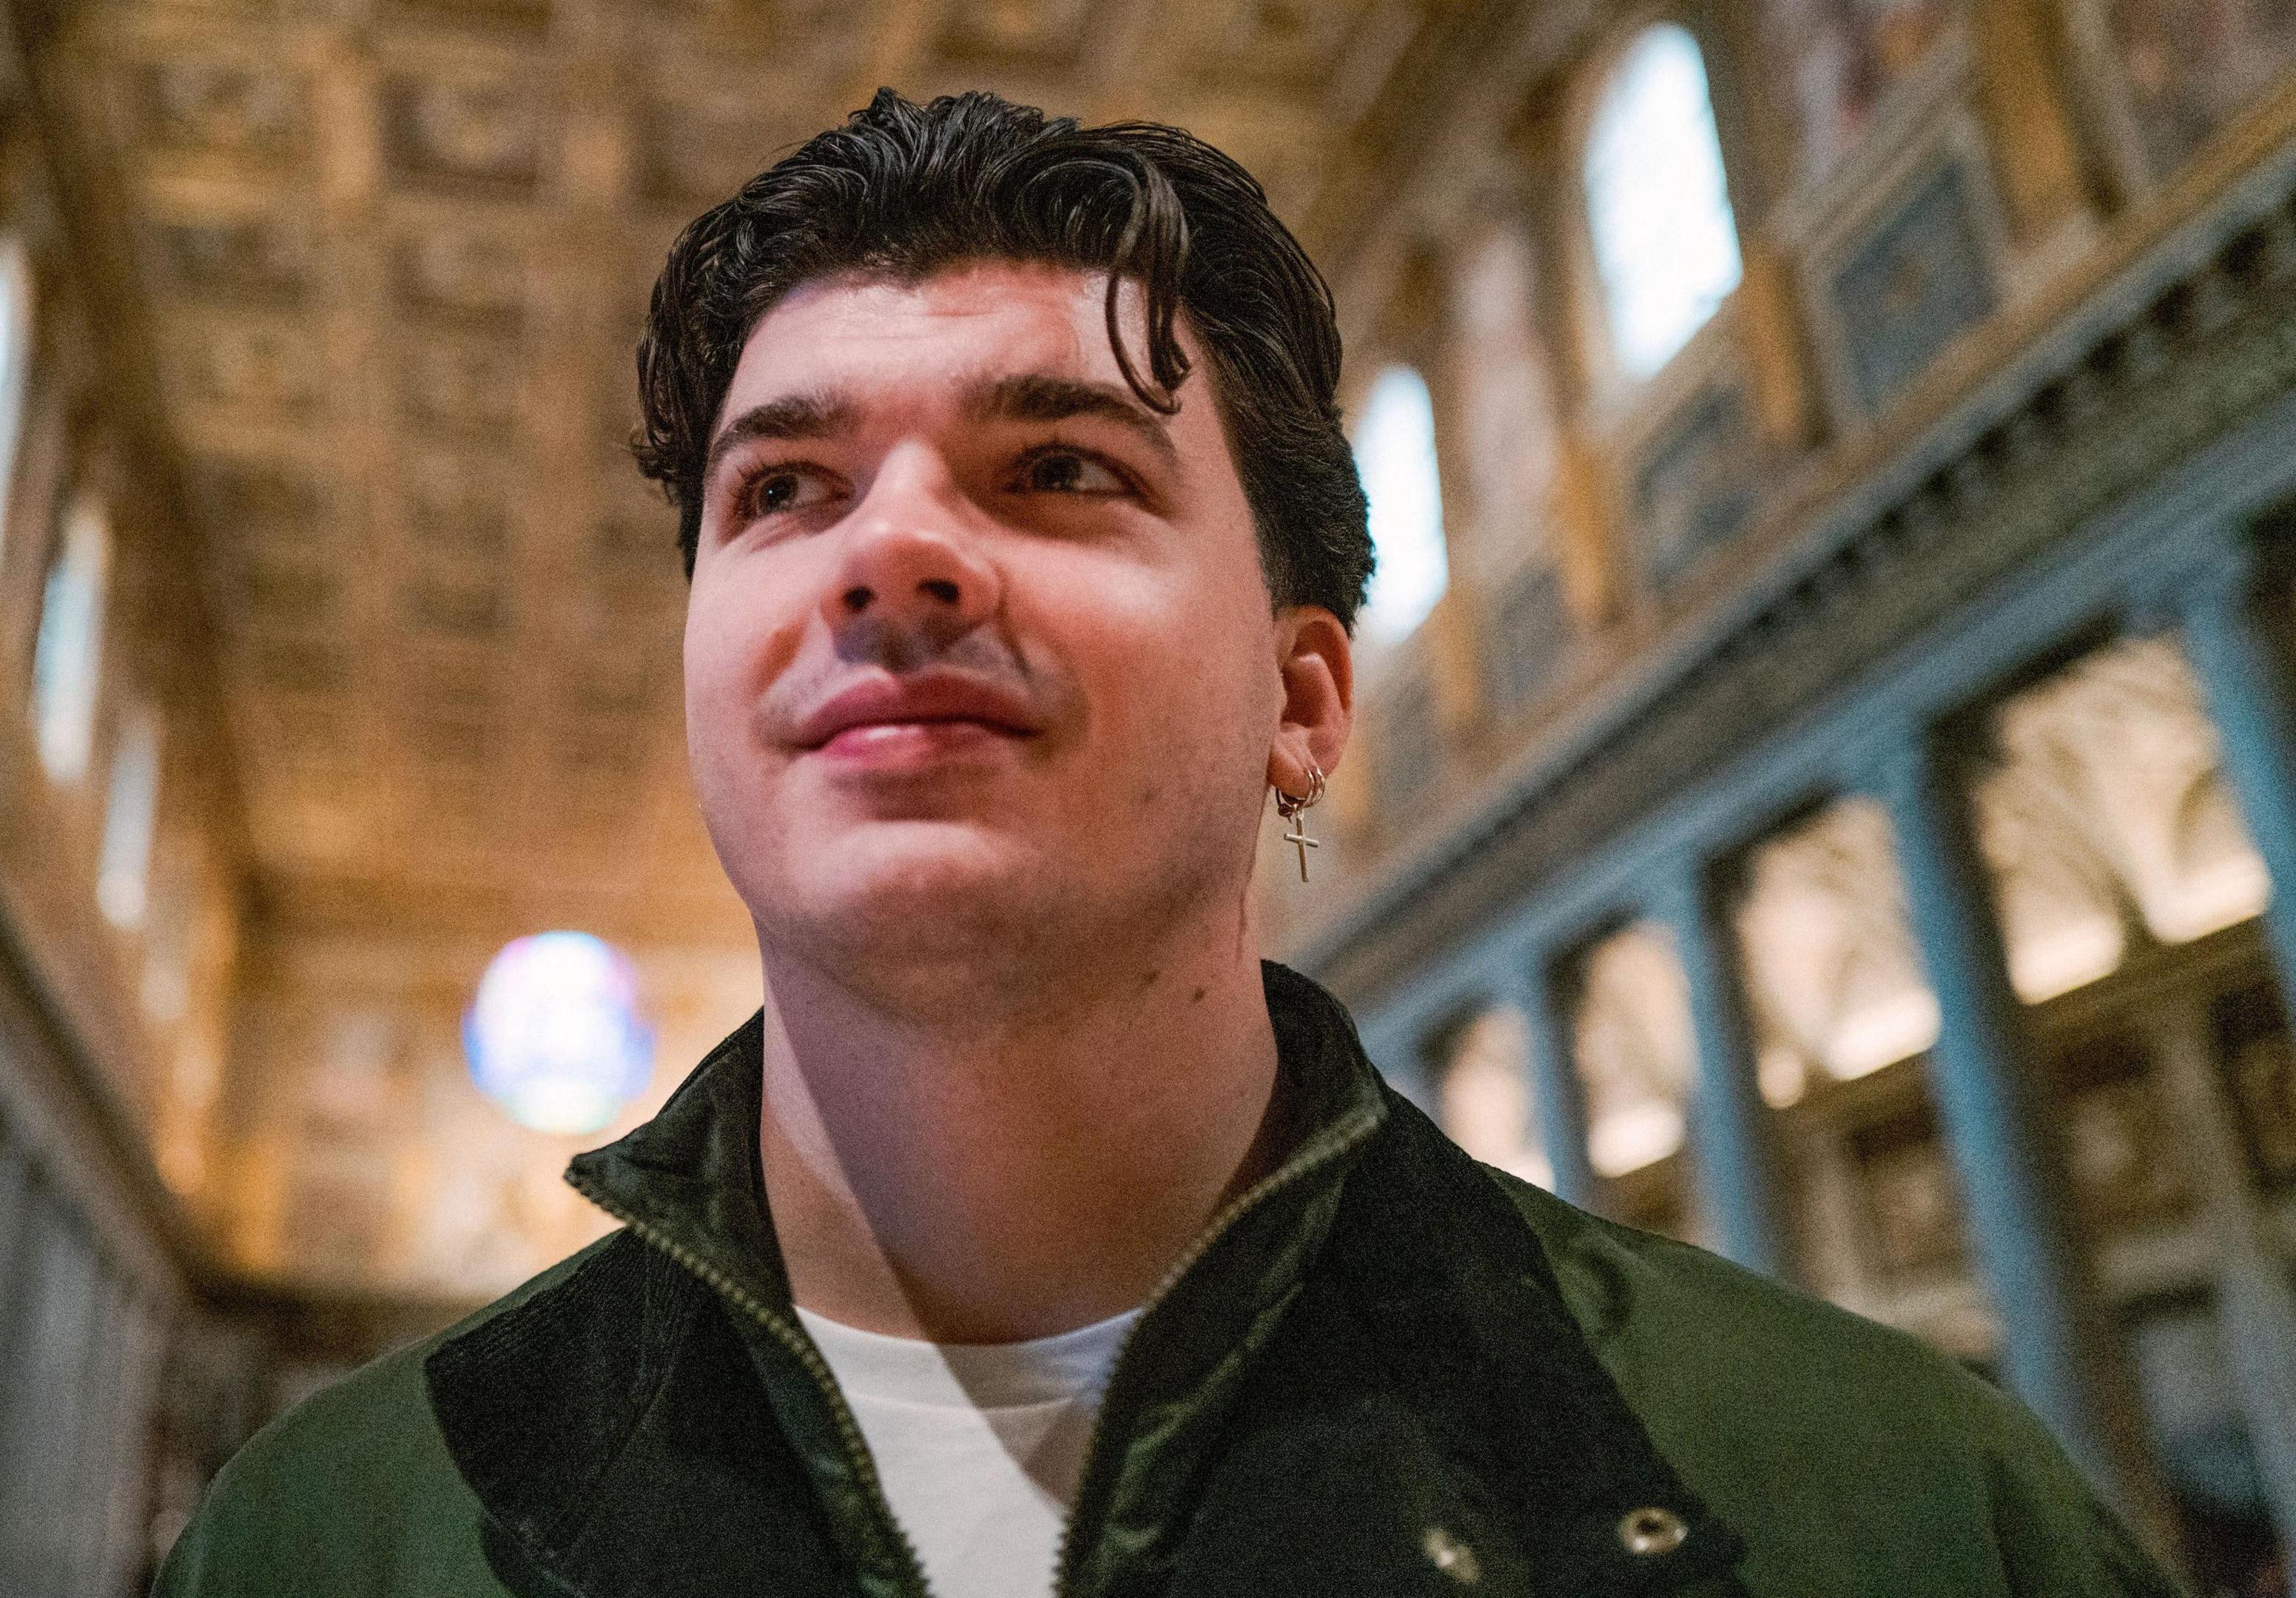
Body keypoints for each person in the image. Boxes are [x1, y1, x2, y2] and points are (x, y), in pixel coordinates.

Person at [158, 90, 2180, 1598]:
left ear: (1306, 702)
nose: (895, 557)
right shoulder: (337, 1537)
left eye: (1058, 468)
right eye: (785, 489)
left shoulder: (1889, 1513)